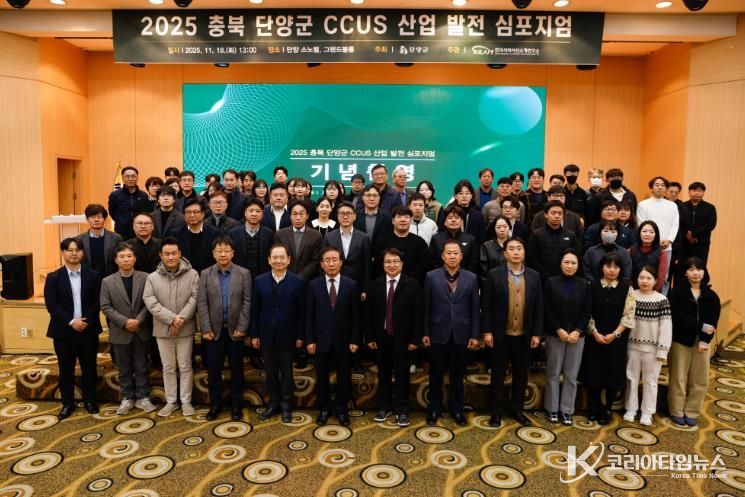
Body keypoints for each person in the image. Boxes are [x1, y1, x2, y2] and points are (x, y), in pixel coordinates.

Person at [481, 237, 543, 427]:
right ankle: (496, 412)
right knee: (498, 375)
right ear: (505, 253)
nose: (516, 252)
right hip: (500, 335)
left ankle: (517, 410)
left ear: (524, 252)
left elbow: (539, 307)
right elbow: (486, 306)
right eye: (512, 249)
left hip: (524, 336)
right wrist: (487, 331)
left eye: (519, 248)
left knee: (521, 376)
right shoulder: (494, 275)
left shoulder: (534, 276)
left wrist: (536, 333)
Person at [423, 240, 480, 426]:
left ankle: (457, 410)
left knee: (458, 375)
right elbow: (426, 306)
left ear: (461, 256)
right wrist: (425, 332)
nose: (452, 256)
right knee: (436, 374)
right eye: (449, 253)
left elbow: (474, 308)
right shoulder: (431, 276)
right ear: (443, 256)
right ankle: (435, 409)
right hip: (437, 332)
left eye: (456, 253)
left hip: (462, 333)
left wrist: (474, 335)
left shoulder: (471, 278)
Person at [44, 237, 103, 420]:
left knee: (89, 367)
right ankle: (67, 404)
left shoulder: (93, 275)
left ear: (82, 252)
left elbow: (97, 301)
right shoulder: (53, 277)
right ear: (63, 253)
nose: (74, 253)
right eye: (69, 250)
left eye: (77, 249)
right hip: (63, 331)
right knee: (66, 369)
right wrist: (71, 321)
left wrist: (85, 321)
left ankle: (90, 401)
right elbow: (52, 305)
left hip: (88, 329)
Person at [366, 248, 424, 427]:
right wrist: (370, 337)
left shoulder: (412, 285)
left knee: (402, 374)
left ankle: (402, 409)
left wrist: (415, 340)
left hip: (404, 339)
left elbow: (418, 315)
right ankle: (383, 407)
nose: (391, 265)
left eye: (395, 261)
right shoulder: (374, 285)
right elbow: (368, 315)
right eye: (388, 262)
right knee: (382, 373)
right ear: (383, 264)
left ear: (402, 264)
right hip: (381, 337)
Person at [143, 237, 200, 417]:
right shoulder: (152, 278)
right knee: (168, 367)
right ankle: (171, 401)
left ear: (180, 254)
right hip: (163, 329)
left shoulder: (193, 274)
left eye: (174, 253)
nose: (170, 257)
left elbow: (194, 298)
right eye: (166, 254)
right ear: (160, 255)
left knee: (185, 365)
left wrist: (180, 320)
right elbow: (150, 301)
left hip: (185, 329)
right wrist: (171, 319)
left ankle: (186, 401)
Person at [197, 237, 252, 421]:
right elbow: (202, 303)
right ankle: (215, 405)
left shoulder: (243, 273)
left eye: (226, 250)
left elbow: (247, 302)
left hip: (236, 331)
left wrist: (242, 327)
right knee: (214, 371)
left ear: (232, 253)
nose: (223, 254)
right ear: (213, 254)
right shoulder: (205, 274)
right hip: (214, 332)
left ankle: (236, 406)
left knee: (237, 371)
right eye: (219, 251)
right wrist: (205, 328)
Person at [250, 244, 306, 423]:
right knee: (270, 373)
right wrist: (254, 335)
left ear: (288, 260)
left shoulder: (298, 282)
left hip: (288, 335)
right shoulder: (259, 281)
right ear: (269, 260)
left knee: (287, 373)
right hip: (266, 334)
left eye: (282, 257)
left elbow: (302, 312)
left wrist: (300, 336)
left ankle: (286, 406)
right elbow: (255, 310)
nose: (278, 260)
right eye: (275, 257)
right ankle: (273, 404)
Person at [306, 247, 361, 426]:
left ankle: (341, 408)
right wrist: (310, 340)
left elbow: (356, 316)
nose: (331, 263)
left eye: (335, 259)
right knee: (321, 376)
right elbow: (309, 315)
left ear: (341, 262)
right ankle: (324, 408)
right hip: (321, 339)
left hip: (344, 340)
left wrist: (355, 339)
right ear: (322, 264)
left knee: (344, 376)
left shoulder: (351, 285)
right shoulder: (313, 285)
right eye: (327, 260)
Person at [580, 252, 636, 425]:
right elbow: (587, 312)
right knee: (594, 372)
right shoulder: (592, 286)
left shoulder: (627, 289)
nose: (612, 270)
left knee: (613, 373)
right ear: (601, 268)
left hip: (616, 339)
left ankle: (608, 408)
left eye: (616, 267)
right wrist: (594, 332)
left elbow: (628, 315)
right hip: (594, 337)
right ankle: (594, 406)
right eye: (608, 266)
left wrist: (615, 334)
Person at [100, 242, 154, 415]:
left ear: (135, 258)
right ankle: (127, 398)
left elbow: (150, 302)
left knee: (141, 365)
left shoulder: (146, 278)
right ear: (116, 260)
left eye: (129, 256)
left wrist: (138, 320)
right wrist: (125, 322)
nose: (126, 260)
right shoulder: (107, 281)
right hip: (120, 331)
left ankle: (143, 397)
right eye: (122, 256)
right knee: (123, 368)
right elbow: (105, 306)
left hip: (141, 329)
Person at [667, 257, 720, 427]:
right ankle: (676, 410)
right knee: (678, 377)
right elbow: (676, 317)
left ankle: (692, 411)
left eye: (699, 269)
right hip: (680, 340)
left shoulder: (711, 296)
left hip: (702, 342)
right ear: (685, 273)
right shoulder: (676, 293)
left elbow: (713, 322)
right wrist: (700, 326)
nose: (695, 273)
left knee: (700, 378)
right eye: (691, 269)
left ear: (704, 272)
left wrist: (705, 340)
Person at [542, 249, 591, 425]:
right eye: (566, 262)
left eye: (573, 263)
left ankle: (567, 410)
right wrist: (559, 329)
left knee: (571, 375)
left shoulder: (584, 284)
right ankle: (552, 409)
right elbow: (547, 309)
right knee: (553, 373)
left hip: (577, 337)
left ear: (578, 265)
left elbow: (587, 311)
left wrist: (577, 330)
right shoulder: (551, 282)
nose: (570, 266)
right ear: (560, 264)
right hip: (555, 335)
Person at [624, 266, 672, 426]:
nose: (644, 281)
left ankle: (647, 412)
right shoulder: (631, 296)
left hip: (653, 350)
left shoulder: (662, 300)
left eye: (648, 278)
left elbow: (666, 327)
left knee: (651, 381)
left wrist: (662, 351)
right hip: (632, 346)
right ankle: (631, 409)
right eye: (641, 277)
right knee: (631, 378)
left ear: (655, 280)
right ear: (636, 279)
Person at [636, 176, 679, 291]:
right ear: (651, 187)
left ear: (666, 188)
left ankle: (661, 298)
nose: (660, 187)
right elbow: (641, 225)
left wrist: (669, 240)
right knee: (645, 274)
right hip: (647, 246)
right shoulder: (643, 204)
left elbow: (675, 225)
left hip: (666, 247)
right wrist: (653, 241)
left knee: (664, 276)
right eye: (657, 185)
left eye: (663, 185)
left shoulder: (672, 205)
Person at [323, 201, 372, 298]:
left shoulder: (364, 238)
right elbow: (323, 262)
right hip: (334, 284)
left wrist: (365, 289)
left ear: (354, 216)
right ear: (338, 216)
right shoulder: (329, 237)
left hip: (357, 285)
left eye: (348, 213)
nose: (345, 217)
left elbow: (367, 265)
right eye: (342, 213)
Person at [374, 206, 430, 284]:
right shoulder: (382, 241)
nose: (403, 220)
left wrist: (407, 281)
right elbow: (378, 265)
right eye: (399, 217)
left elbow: (423, 266)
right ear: (393, 221)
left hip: (413, 284)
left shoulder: (420, 242)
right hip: (387, 284)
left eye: (406, 217)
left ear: (411, 220)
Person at [527, 201, 581, 280]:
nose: (557, 216)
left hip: (565, 277)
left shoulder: (570, 235)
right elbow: (532, 259)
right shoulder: (536, 234)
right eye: (553, 213)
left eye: (560, 213)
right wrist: (544, 274)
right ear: (546, 215)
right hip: (542, 278)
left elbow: (576, 256)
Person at [275, 200, 323, 281]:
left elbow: (316, 261)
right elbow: (278, 257)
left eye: (301, 214)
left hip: (308, 280)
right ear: (290, 216)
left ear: (307, 216)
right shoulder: (280, 234)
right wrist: (289, 276)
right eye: (295, 214)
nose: (298, 218)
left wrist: (300, 277)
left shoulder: (316, 235)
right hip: (285, 279)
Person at [170, 198, 220, 274]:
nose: (192, 215)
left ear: (203, 214)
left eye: (195, 212)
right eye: (188, 212)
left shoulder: (214, 233)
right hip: (183, 274)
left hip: (208, 274)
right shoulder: (175, 234)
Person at [230, 198, 275, 280]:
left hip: (263, 277)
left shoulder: (269, 234)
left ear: (262, 213)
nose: (254, 214)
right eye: (251, 211)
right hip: (239, 278)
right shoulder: (233, 234)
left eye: (258, 211)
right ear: (245, 213)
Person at [429, 205, 479, 275]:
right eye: (450, 218)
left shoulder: (470, 239)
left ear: (462, 222)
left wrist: (465, 276)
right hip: (439, 277)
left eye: (457, 218)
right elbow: (433, 261)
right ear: (445, 222)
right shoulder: (436, 239)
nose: (453, 220)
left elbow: (473, 262)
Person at [582, 221, 632, 285]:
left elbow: (627, 273)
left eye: (613, 232)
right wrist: (594, 284)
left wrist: (619, 286)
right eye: (606, 231)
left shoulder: (623, 252)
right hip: (594, 287)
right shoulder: (591, 251)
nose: (609, 234)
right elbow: (586, 270)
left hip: (618, 288)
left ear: (618, 234)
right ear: (600, 233)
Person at [679, 181, 717, 267]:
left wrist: (693, 233)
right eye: (693, 190)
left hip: (702, 244)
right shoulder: (682, 206)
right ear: (689, 192)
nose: (696, 193)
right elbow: (679, 223)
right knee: (682, 267)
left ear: (703, 192)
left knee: (700, 267)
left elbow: (711, 224)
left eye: (699, 191)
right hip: (684, 243)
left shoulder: (710, 207)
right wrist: (687, 235)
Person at [79, 203, 122, 278]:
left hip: (111, 279)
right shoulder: (79, 240)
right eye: (92, 217)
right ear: (87, 219)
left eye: (99, 217)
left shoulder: (116, 238)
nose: (96, 220)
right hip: (88, 279)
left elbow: (120, 258)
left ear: (104, 219)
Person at [109, 166, 148, 240]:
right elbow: (112, 212)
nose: (130, 179)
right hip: (121, 232)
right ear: (122, 178)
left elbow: (145, 212)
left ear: (137, 178)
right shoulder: (115, 195)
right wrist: (121, 221)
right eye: (127, 176)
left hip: (139, 231)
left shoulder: (143, 195)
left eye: (133, 176)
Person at [629, 221, 669, 292]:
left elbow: (661, 277)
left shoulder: (662, 253)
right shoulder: (630, 251)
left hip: (654, 292)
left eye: (651, 232)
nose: (647, 234)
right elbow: (628, 273)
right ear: (639, 233)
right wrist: (631, 290)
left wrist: (652, 292)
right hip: (633, 292)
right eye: (644, 231)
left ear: (656, 235)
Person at [354, 184, 393, 254]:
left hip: (380, 256)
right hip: (358, 255)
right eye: (368, 195)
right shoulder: (355, 216)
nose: (371, 198)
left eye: (375, 195)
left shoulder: (387, 217)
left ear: (379, 198)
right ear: (363, 197)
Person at [479, 215, 510, 285]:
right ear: (494, 228)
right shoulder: (486, 246)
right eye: (498, 227)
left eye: (505, 226)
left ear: (509, 227)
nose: (502, 230)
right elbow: (483, 271)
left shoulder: (515, 245)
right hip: (492, 284)